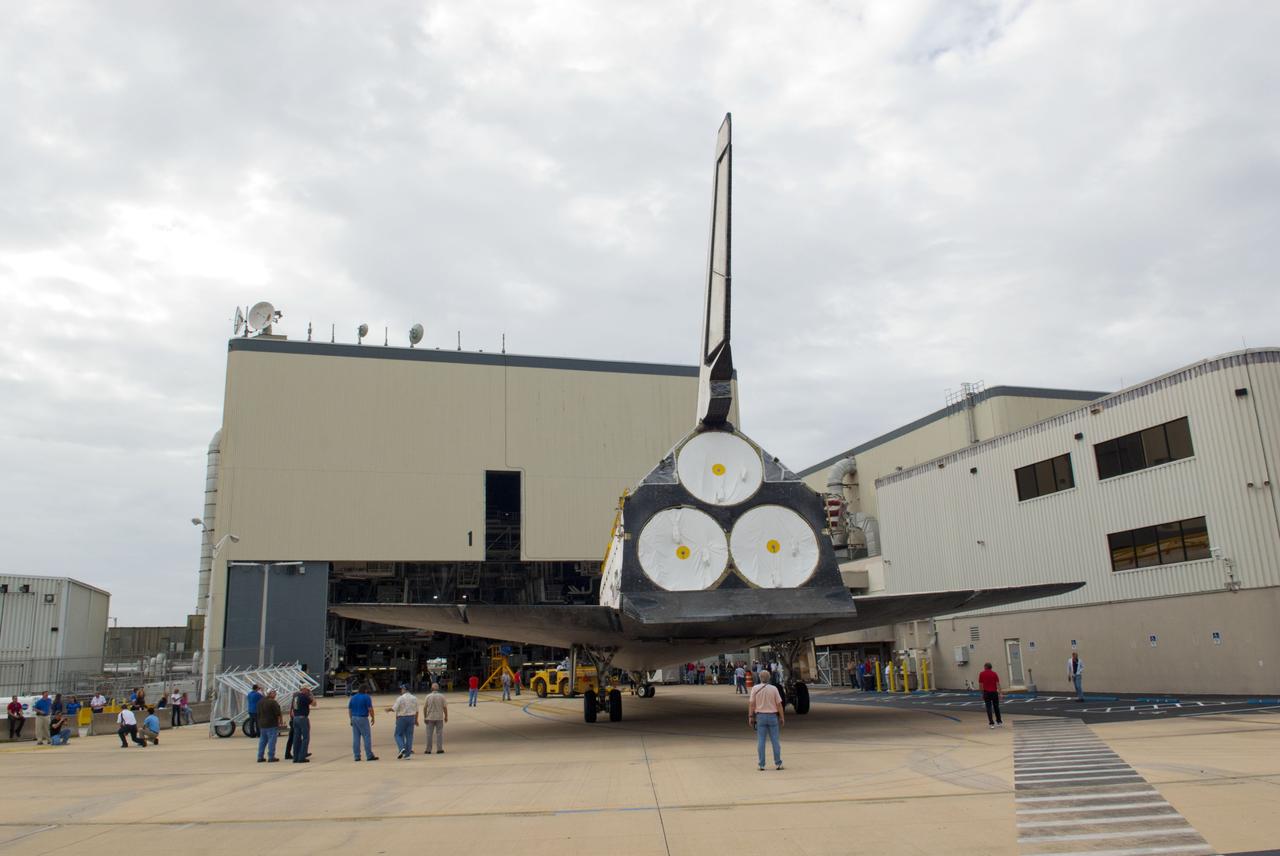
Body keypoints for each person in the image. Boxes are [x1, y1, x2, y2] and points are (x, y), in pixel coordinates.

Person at [747, 669, 784, 771]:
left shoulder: (755, 688)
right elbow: (779, 704)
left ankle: (761, 764)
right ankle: (778, 763)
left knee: (761, 741)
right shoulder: (774, 689)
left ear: (760, 678)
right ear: (769, 678)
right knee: (775, 741)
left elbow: (751, 704)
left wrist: (750, 716)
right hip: (772, 716)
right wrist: (782, 717)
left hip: (760, 717)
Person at [348, 684, 378, 761]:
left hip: (354, 717)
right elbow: (370, 708)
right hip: (363, 718)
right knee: (366, 736)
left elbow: (350, 709)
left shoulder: (353, 697)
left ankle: (357, 756)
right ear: (365, 690)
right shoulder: (366, 697)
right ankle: (369, 755)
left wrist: (351, 719)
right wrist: (373, 717)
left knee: (356, 738)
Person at [390, 683, 419, 759]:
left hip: (402, 718)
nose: (401, 690)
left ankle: (402, 747)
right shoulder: (414, 698)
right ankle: (407, 755)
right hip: (411, 718)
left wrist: (388, 709)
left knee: (398, 734)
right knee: (409, 736)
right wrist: (416, 720)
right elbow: (417, 710)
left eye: (402, 689)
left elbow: (394, 708)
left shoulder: (400, 698)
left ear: (405, 689)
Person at [256, 689, 283, 762]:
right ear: (270, 694)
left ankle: (260, 756)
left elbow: (258, 713)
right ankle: (271, 757)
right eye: (274, 693)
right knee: (272, 741)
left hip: (262, 724)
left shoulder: (260, 702)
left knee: (262, 741)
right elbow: (278, 713)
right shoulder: (273, 702)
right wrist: (280, 722)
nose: (275, 694)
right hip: (271, 724)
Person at [291, 686, 316, 763]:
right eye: (308, 690)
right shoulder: (304, 697)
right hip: (302, 718)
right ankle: (302, 756)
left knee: (296, 738)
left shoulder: (296, 696)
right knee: (305, 738)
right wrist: (312, 696)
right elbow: (314, 704)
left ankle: (295, 757)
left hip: (296, 718)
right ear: (304, 689)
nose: (308, 691)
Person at [423, 682, 448, 754]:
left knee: (429, 734)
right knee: (439, 733)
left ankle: (428, 750)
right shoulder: (442, 696)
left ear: (431, 688)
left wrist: (425, 717)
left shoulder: (428, 696)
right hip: (439, 717)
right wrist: (446, 716)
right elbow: (445, 707)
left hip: (430, 717)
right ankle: (439, 749)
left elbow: (425, 708)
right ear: (438, 688)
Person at [977, 662, 1004, 728]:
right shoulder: (994, 674)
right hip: (994, 692)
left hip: (986, 693)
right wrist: (1000, 693)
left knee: (988, 708)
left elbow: (981, 685)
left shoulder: (982, 674)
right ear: (991, 667)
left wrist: (982, 693)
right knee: (996, 707)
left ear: (985, 667)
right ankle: (999, 721)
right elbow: (998, 684)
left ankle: (991, 723)